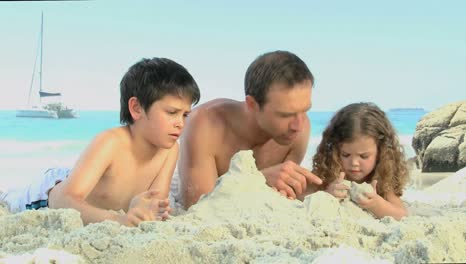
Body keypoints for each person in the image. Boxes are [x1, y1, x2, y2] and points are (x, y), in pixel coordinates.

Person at [1, 57, 200, 226]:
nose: (180, 123)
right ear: (137, 108)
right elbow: (62, 200)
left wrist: (148, 210)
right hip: (46, 196)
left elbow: (156, 201)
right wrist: (119, 220)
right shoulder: (111, 143)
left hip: (84, 187)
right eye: (172, 113)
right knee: (9, 199)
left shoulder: (170, 150)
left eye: (185, 115)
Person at [177, 50, 322, 209]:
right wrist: (258, 179)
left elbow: (282, 195)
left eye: (305, 110)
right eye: (285, 115)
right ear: (252, 104)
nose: (299, 126)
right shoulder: (205, 125)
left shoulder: (298, 130)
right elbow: (196, 206)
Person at [309, 102, 409, 220]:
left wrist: (376, 204)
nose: (354, 163)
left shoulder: (381, 179)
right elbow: (307, 198)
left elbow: (402, 214)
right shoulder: (328, 175)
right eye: (346, 155)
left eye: (364, 156)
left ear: (381, 153)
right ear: (334, 150)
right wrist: (328, 194)